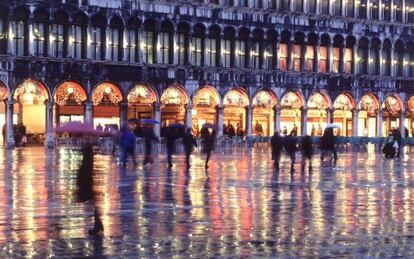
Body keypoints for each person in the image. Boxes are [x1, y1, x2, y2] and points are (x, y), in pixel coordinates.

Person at [76, 138, 103, 236]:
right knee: (92, 203)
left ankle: (98, 224)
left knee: (92, 202)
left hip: (86, 182)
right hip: (87, 181)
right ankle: (98, 223)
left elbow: (85, 170)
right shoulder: (88, 155)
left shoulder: (87, 158)